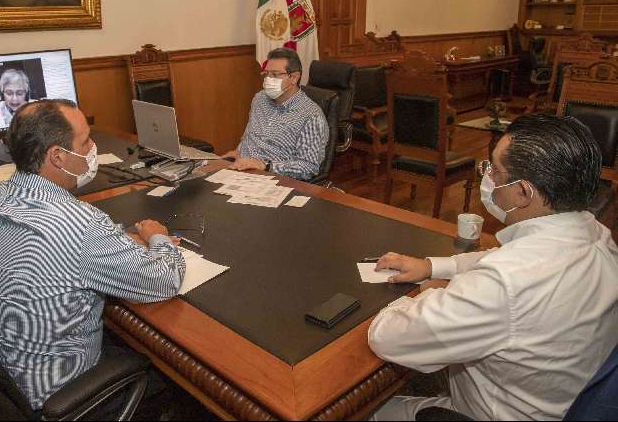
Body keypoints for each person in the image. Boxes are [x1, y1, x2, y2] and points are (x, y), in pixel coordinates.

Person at [367, 114, 618, 421]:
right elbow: (504, 258)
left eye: (495, 171)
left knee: (370, 411)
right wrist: (431, 266)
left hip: (489, 413)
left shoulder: (504, 284)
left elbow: (388, 336)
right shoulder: (596, 235)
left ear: (523, 192)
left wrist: (426, 292)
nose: (488, 179)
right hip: (559, 397)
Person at [0, 99, 186, 410]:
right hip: (55, 396)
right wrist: (158, 237)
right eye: (85, 141)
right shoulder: (81, 224)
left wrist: (116, 239)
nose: (93, 147)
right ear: (57, 156)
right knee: (177, 386)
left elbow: (59, 248)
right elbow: (164, 280)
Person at [223, 48, 328, 181]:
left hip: (272, 178)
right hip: (241, 168)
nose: (268, 79)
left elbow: (308, 167)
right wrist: (238, 151)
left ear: (294, 78)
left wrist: (265, 166)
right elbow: (249, 135)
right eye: (266, 74)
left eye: (275, 74)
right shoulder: (259, 99)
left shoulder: (311, 115)